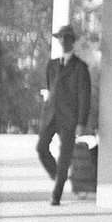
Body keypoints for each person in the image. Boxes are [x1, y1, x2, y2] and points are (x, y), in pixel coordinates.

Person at [36, 24, 92, 206]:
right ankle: (58, 174)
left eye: (67, 38)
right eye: (60, 37)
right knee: (41, 147)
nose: (63, 41)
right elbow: (50, 89)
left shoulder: (80, 67)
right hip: (51, 115)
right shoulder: (52, 65)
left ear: (72, 41)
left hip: (69, 118)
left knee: (65, 156)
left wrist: (81, 122)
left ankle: (56, 195)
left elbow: (85, 96)